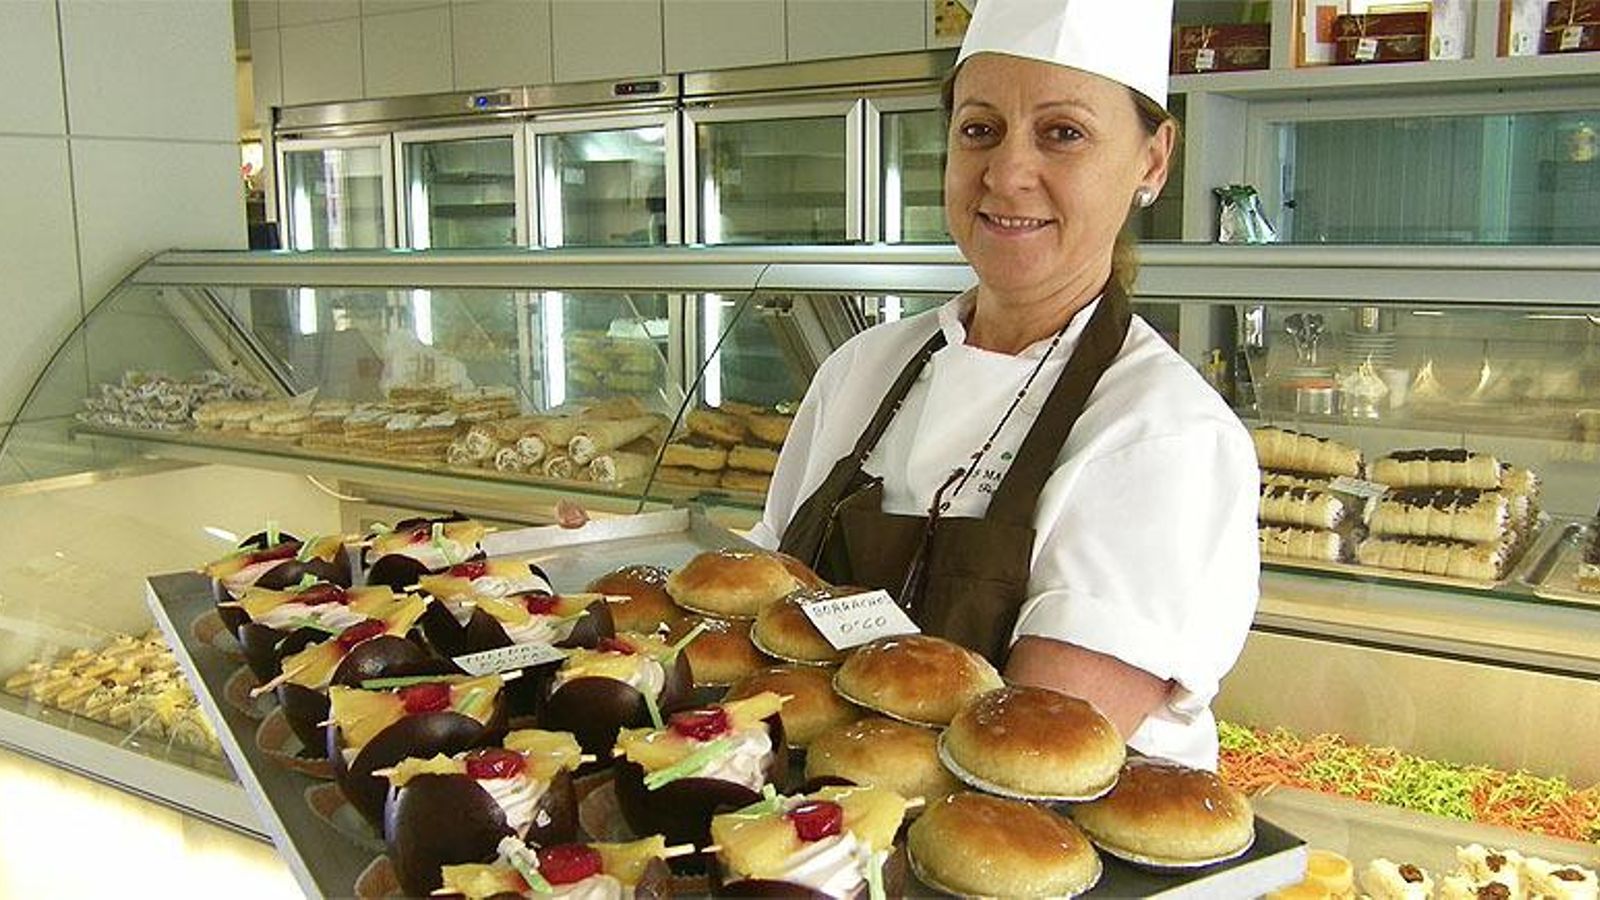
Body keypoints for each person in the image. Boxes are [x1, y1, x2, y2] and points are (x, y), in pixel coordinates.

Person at [747, 0, 1260, 770]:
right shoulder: (861, 369)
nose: (1008, 173)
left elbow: (1032, 758)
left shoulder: (1164, 437)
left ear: (1152, 161)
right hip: (811, 840)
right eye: (979, 130)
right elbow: (756, 608)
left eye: (1064, 133)